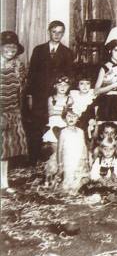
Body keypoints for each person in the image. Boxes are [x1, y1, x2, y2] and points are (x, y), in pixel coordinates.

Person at [25, 21, 75, 165]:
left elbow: (70, 76)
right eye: (54, 31)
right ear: (49, 32)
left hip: (57, 97)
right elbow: (31, 74)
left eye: (60, 32)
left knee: (56, 127)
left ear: (63, 34)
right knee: (36, 126)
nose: (57, 35)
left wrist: (66, 95)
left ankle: (57, 160)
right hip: (39, 95)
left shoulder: (67, 53)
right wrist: (30, 95)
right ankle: (33, 159)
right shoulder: (38, 50)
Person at [0, 31, 28, 191]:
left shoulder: (19, 65)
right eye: (6, 46)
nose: (10, 50)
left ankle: (4, 183)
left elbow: (21, 90)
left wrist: (18, 110)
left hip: (12, 111)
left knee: (6, 150)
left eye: (13, 47)